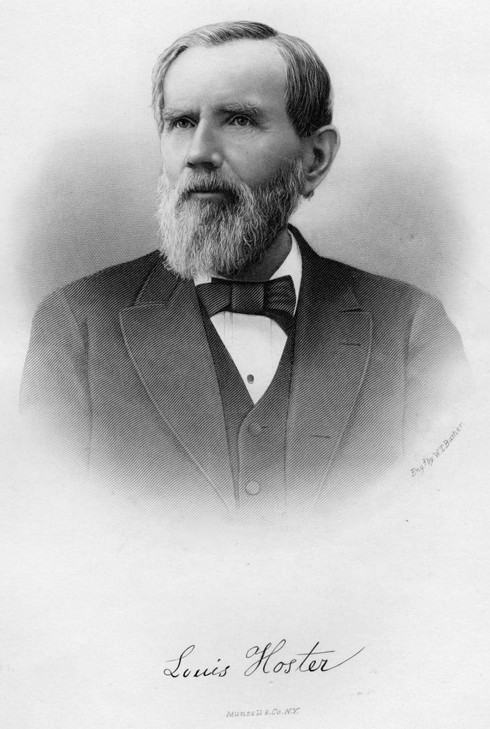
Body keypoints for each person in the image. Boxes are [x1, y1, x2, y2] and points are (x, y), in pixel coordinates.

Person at [20, 21, 467, 520]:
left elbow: (441, 532)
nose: (199, 154)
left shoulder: (411, 328)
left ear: (315, 159)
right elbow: (49, 539)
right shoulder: (75, 325)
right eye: (182, 122)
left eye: (238, 120)